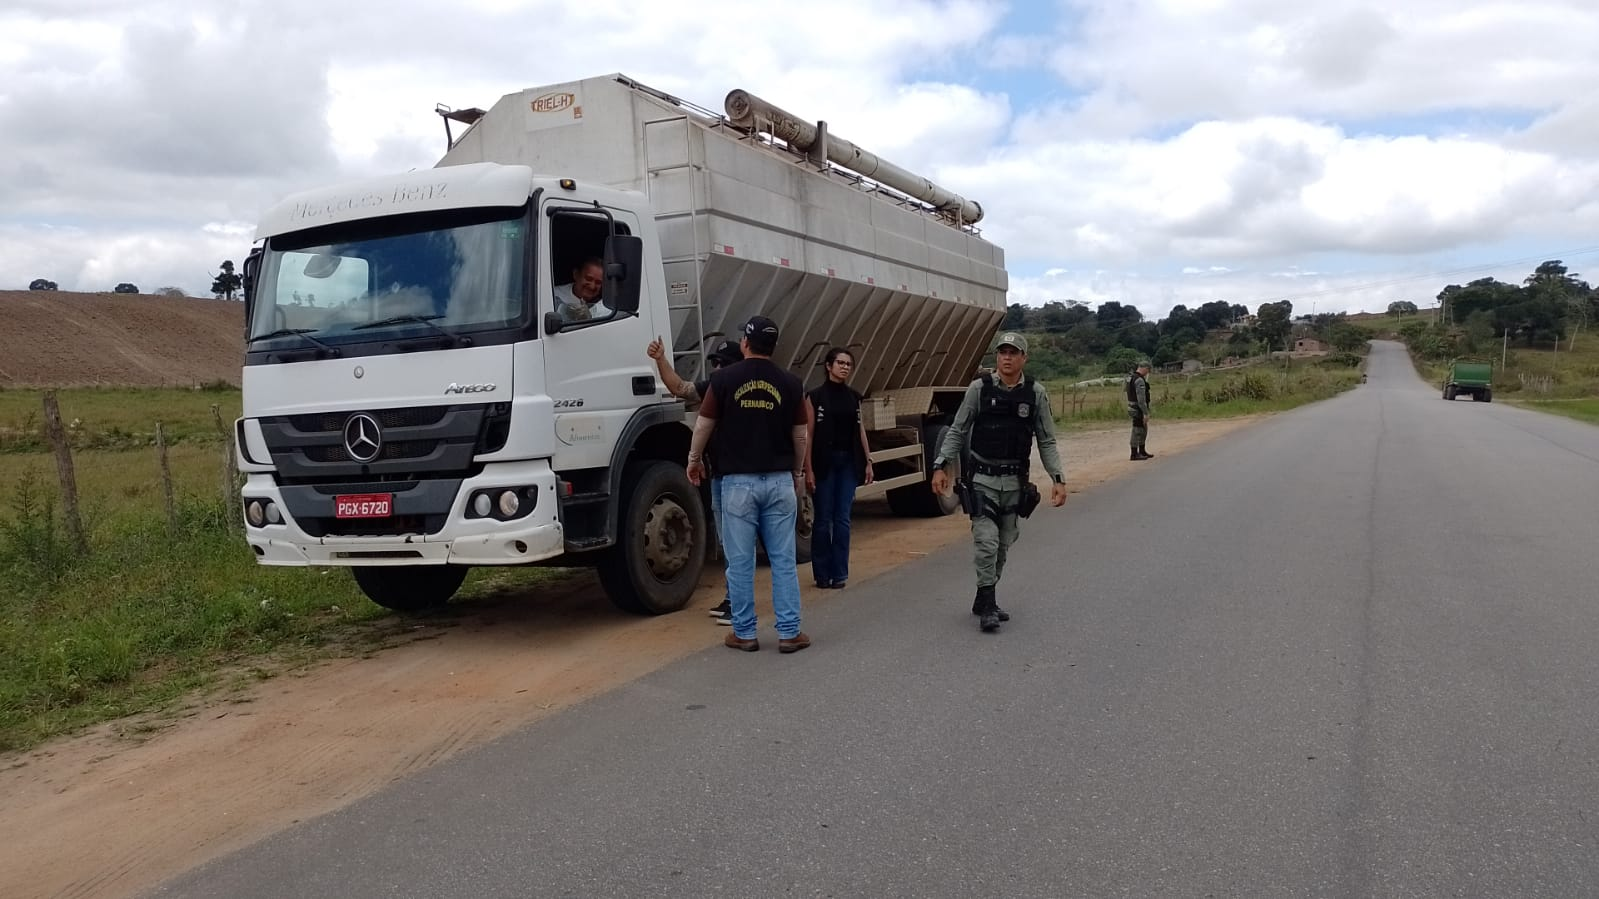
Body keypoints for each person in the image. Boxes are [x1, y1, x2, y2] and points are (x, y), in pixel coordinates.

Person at [687, 316, 810, 653]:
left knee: (740, 562)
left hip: (737, 483)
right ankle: (788, 632)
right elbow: (801, 435)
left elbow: (704, 425)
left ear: (745, 343)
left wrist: (694, 460)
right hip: (779, 480)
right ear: (773, 346)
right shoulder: (790, 382)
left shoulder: (724, 378)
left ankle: (744, 633)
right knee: (783, 560)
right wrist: (798, 473)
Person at [930, 332, 1067, 633]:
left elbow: (1046, 440)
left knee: (1004, 545)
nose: (1007, 357)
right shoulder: (979, 390)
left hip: (1015, 482)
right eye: (1002, 352)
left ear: (1023, 358)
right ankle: (989, 606)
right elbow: (957, 429)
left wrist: (1058, 478)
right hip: (982, 480)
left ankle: (983, 596)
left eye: (1013, 352)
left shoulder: (1036, 394)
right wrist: (941, 465)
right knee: (986, 543)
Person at [647, 336, 744, 625]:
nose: (717, 368)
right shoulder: (716, 388)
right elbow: (679, 388)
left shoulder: (729, 388)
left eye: (723, 364)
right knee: (734, 543)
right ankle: (736, 600)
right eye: (715, 363)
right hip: (724, 475)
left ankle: (740, 606)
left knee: (738, 543)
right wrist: (661, 360)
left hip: (738, 479)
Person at [804, 347, 873, 589]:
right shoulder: (814, 397)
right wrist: (808, 469)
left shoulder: (854, 397)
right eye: (840, 363)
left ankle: (840, 573)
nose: (844, 367)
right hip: (824, 463)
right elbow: (808, 435)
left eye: (848, 364)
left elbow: (860, 430)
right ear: (828, 366)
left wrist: (868, 461)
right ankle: (822, 574)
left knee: (842, 519)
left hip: (848, 464)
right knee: (823, 520)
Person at [1127, 360, 1153, 461]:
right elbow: (1141, 399)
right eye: (1148, 370)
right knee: (1137, 430)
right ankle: (1134, 454)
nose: (1148, 372)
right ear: (1145, 368)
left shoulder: (1131, 378)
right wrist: (1145, 413)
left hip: (1133, 406)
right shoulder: (1139, 380)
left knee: (1143, 429)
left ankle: (1142, 451)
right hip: (1138, 408)